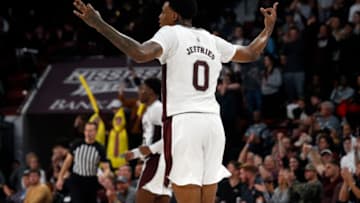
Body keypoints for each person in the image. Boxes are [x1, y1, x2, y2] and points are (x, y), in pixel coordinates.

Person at [72, 0, 278, 202]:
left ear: (174, 15)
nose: (159, 17)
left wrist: (99, 24)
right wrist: (267, 30)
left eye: (163, 12)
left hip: (185, 123)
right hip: (213, 125)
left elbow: (139, 53)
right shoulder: (211, 39)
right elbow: (251, 53)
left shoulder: (170, 33)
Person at [125, 77, 172, 203]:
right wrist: (134, 153)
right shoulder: (150, 110)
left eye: (143, 89)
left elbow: (171, 136)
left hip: (156, 161)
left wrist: (150, 150)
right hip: (159, 162)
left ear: (151, 91)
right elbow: (150, 142)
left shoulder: (157, 109)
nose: (139, 92)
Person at [56, 121, 111, 203]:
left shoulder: (100, 148)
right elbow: (67, 162)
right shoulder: (77, 144)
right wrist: (60, 178)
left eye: (91, 131)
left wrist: (104, 175)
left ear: (96, 132)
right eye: (86, 130)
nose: (88, 133)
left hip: (91, 180)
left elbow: (107, 168)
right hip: (76, 179)